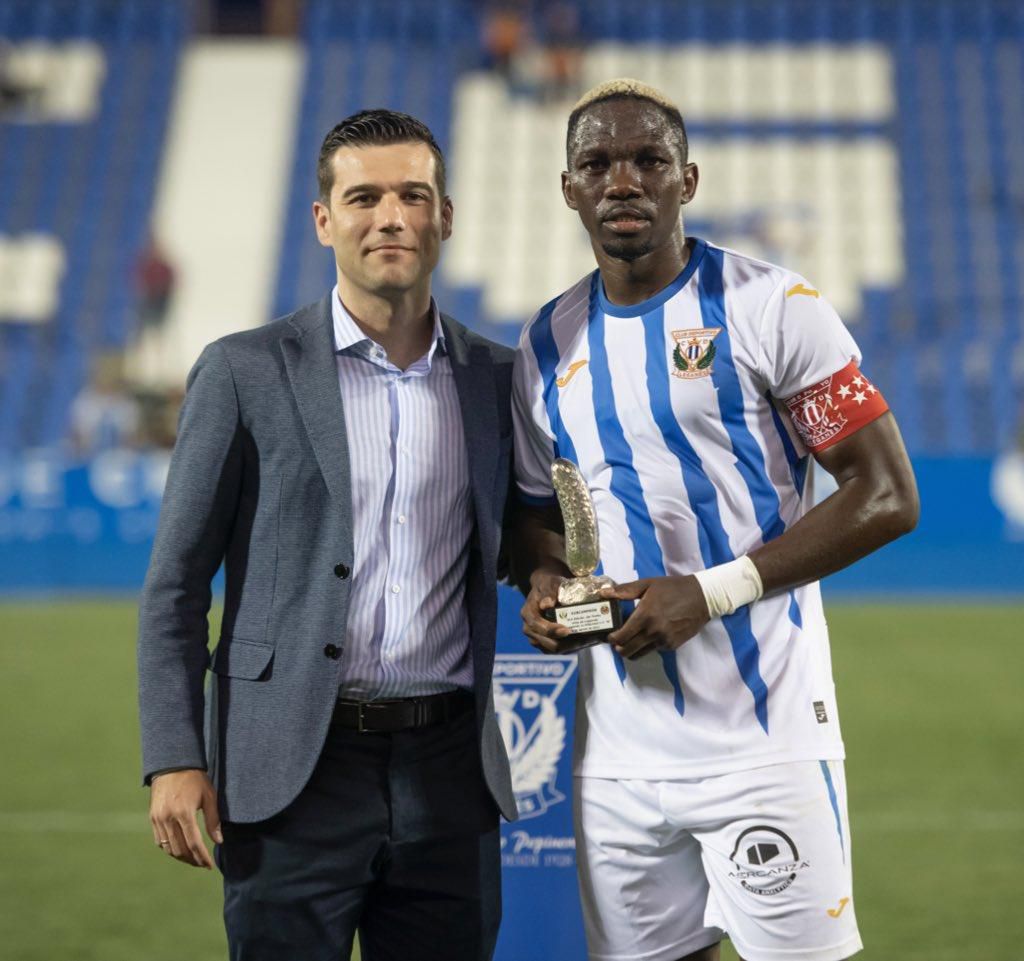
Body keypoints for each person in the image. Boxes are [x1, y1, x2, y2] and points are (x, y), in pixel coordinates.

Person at [511, 79, 919, 961]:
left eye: (648, 160)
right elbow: (534, 519)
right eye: (598, 163)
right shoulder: (544, 345)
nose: (624, 180)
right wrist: (544, 581)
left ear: (686, 181)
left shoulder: (773, 306)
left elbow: (886, 493)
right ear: (569, 188)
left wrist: (711, 591)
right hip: (615, 759)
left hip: (764, 742)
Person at [138, 109, 517, 961]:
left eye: (414, 195)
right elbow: (175, 585)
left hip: (451, 770)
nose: (391, 216)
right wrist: (172, 755)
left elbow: (529, 538)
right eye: (365, 196)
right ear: (324, 219)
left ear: (445, 216)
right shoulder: (243, 371)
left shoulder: (499, 378)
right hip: (291, 773)